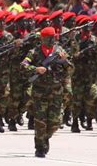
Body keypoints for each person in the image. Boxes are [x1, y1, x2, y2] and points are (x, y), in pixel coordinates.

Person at [21, 27, 71, 158]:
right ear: (42, 38)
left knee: (55, 122)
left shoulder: (60, 51)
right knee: (40, 121)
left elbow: (70, 69)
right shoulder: (34, 52)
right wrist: (36, 69)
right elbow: (23, 66)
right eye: (49, 38)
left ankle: (45, 138)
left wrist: (64, 61)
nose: (52, 40)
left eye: (53, 37)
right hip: (40, 92)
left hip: (56, 91)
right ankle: (39, 147)